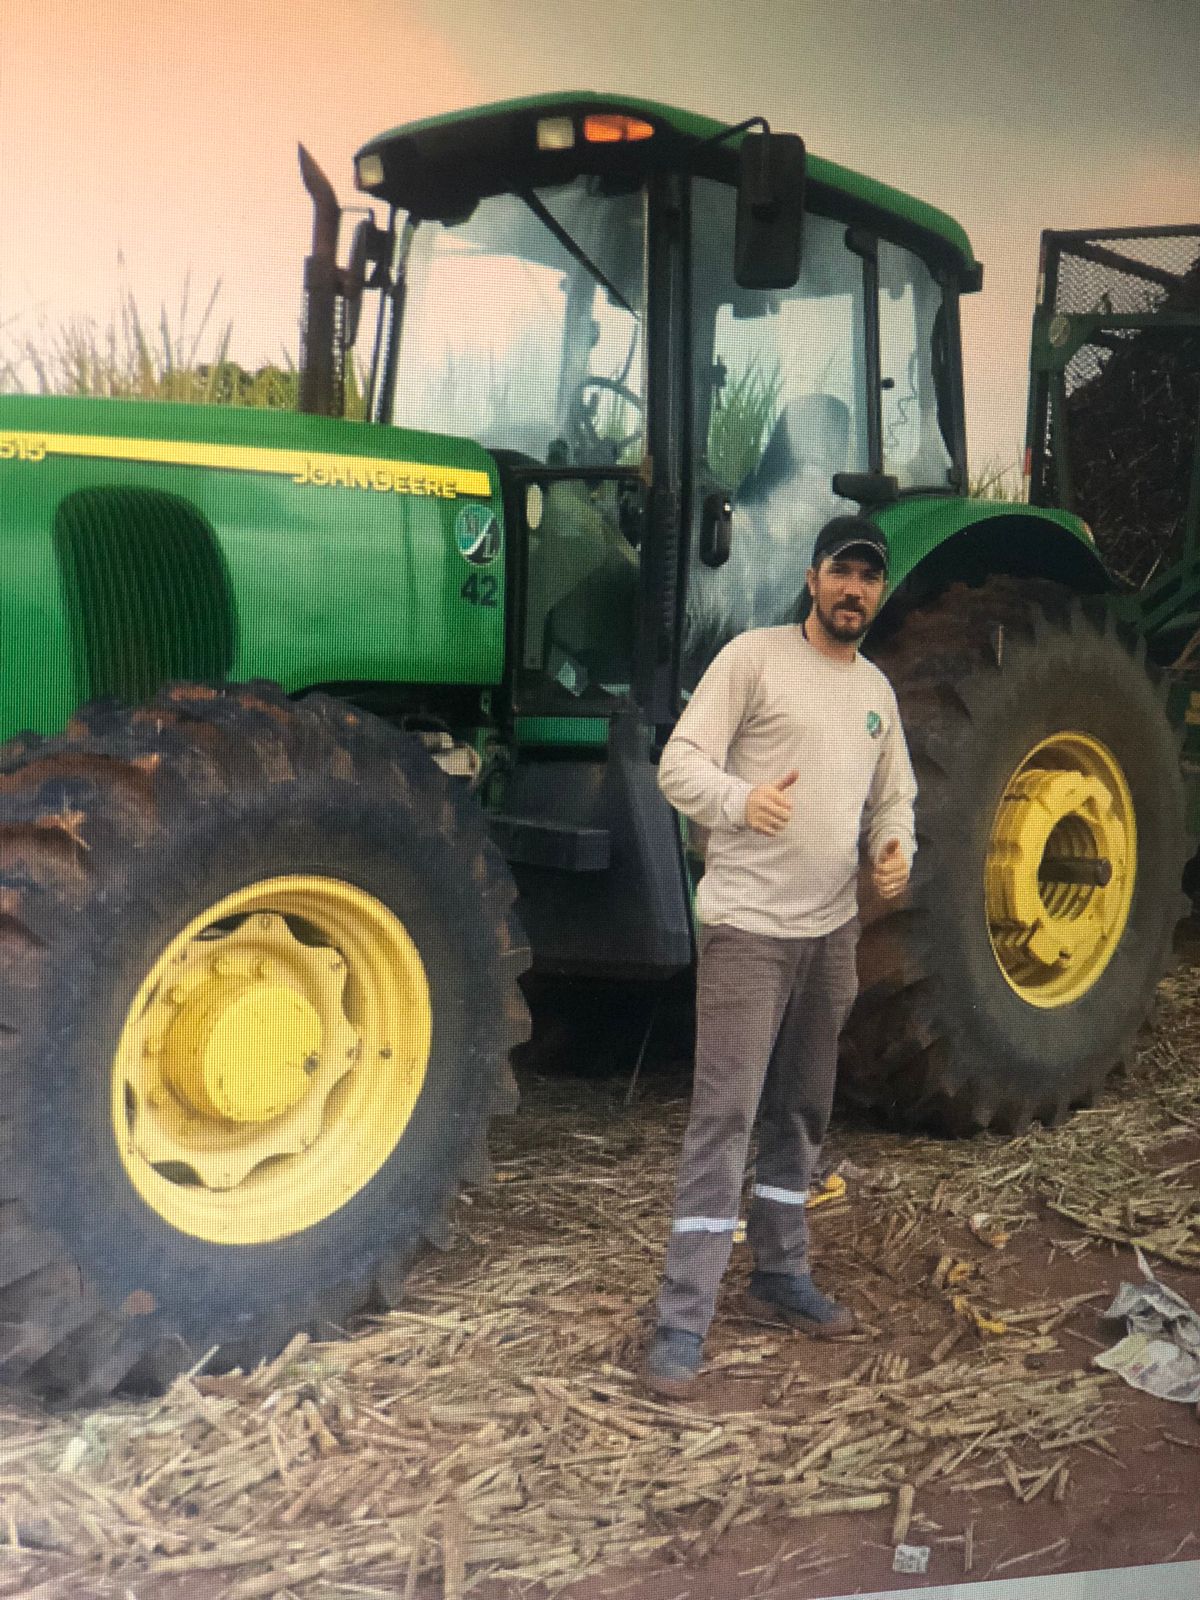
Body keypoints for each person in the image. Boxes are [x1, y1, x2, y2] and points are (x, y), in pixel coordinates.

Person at [645, 513, 917, 1398]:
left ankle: (778, 1275)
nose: (855, 590)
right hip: (749, 932)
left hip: (830, 933)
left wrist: (893, 848)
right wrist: (739, 801)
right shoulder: (753, 659)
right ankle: (683, 1318)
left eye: (869, 578)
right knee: (723, 1119)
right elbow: (677, 764)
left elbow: (895, 800)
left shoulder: (877, 689)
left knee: (800, 1111)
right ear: (813, 578)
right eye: (843, 572)